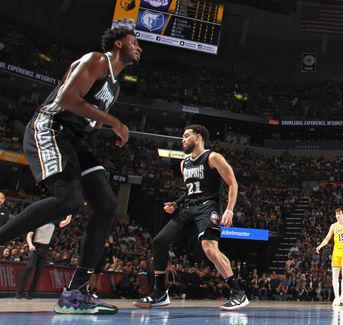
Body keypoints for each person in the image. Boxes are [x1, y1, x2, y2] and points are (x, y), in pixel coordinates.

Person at [0, 22, 140, 314]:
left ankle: (76, 291)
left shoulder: (114, 89)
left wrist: (93, 165)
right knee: (68, 199)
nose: (139, 47)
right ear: (118, 44)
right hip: (51, 127)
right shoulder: (96, 60)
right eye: (133, 41)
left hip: (77, 140)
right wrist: (113, 122)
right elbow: (67, 99)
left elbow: (90, 127)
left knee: (106, 203)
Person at [136, 124, 249, 311]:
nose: (183, 139)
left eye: (186, 136)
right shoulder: (184, 163)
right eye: (182, 137)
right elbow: (190, 191)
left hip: (209, 208)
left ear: (198, 137)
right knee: (159, 241)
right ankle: (160, 293)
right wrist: (176, 204)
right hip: (189, 209)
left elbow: (232, 183)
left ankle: (238, 293)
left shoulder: (213, 157)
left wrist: (229, 210)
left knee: (209, 248)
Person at [16, 215, 72, 299]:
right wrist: (30, 245)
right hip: (35, 247)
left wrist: (70, 212)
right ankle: (19, 292)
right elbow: (29, 235)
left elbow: (67, 222)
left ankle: (31, 293)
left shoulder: (53, 224)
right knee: (29, 267)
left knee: (39, 272)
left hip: (45, 248)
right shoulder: (37, 223)